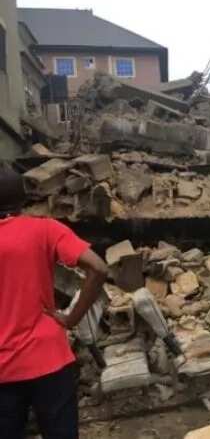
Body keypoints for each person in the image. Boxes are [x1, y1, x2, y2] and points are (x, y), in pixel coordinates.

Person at [0, 165, 108, 438]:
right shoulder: (45, 229)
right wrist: (71, 318)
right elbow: (98, 268)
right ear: (23, 199)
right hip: (50, 359)